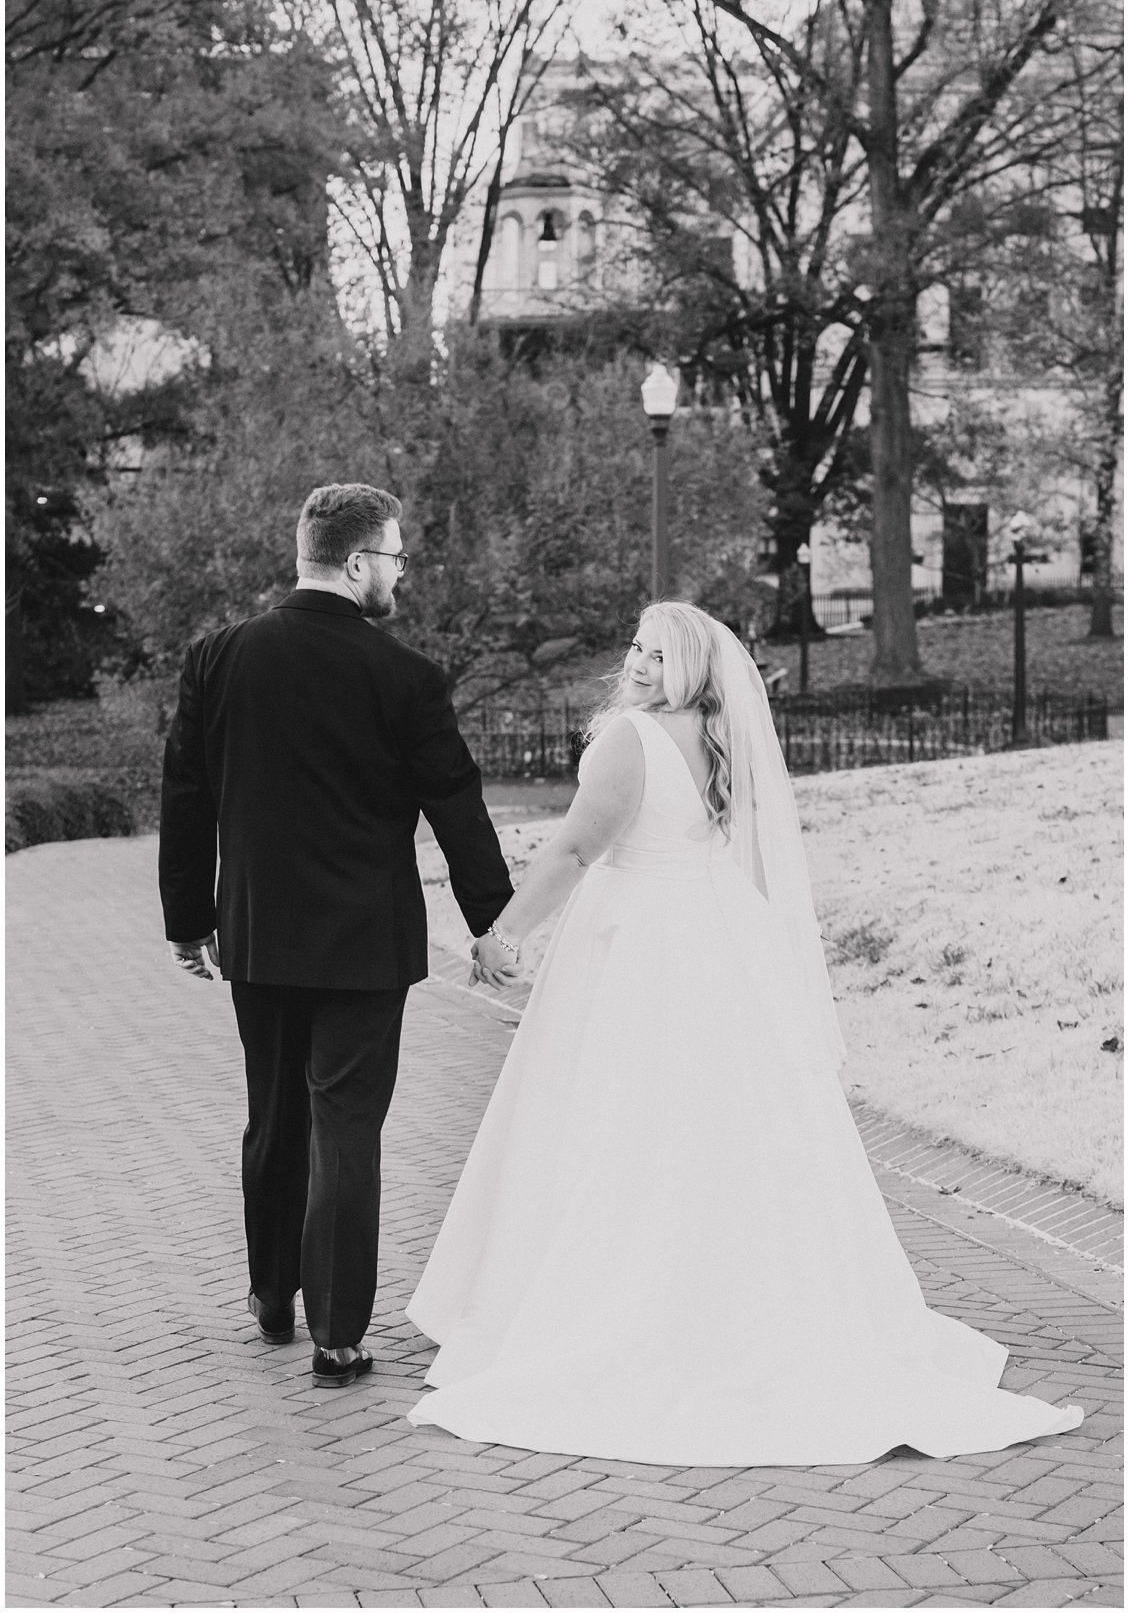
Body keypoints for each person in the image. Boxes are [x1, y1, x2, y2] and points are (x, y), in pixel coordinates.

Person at [406, 601, 1083, 1465]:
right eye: (637, 648)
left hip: (640, 944)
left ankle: (621, 1306)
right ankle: (743, 1298)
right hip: (714, 936)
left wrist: (503, 937)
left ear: (691, 668)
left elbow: (573, 853)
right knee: (722, 1123)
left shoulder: (631, 739)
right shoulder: (718, 739)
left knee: (622, 1120)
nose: (640, 664)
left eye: (658, 655)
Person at [159, 482, 516, 1388]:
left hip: (258, 937)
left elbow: (186, 800)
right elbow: (457, 810)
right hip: (364, 945)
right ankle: (339, 1336)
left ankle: (272, 1294)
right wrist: (492, 923)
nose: (401, 574)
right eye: (394, 558)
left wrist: (188, 920)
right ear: (356, 565)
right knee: (345, 1128)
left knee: (273, 1116)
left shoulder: (217, 659)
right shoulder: (404, 677)